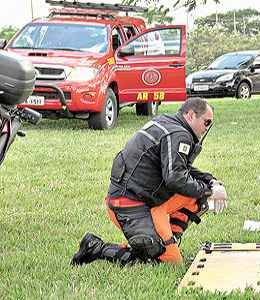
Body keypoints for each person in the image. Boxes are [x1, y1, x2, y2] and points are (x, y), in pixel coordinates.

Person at [71, 97, 228, 266]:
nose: (207, 128)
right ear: (190, 115)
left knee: (197, 196)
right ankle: (95, 247)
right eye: (206, 122)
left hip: (146, 199)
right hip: (128, 205)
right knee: (168, 261)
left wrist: (212, 182)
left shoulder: (167, 122)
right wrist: (210, 191)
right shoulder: (179, 134)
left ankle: (169, 239)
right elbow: (175, 178)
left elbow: (180, 169)